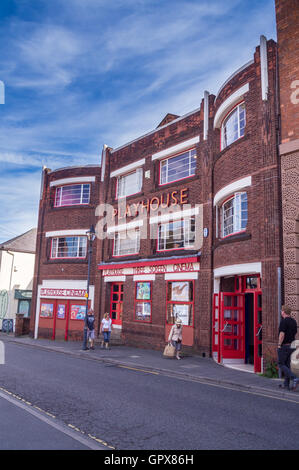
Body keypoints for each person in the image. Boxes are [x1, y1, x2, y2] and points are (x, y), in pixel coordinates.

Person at [277, 305, 299, 391]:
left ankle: (295, 378)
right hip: (292, 346)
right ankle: (286, 384)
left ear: (284, 312)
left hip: (285, 346)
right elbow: (295, 334)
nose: (281, 312)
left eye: (281, 311)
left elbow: (282, 334)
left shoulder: (284, 322)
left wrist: (279, 344)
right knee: (287, 365)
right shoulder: (294, 321)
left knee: (281, 364)